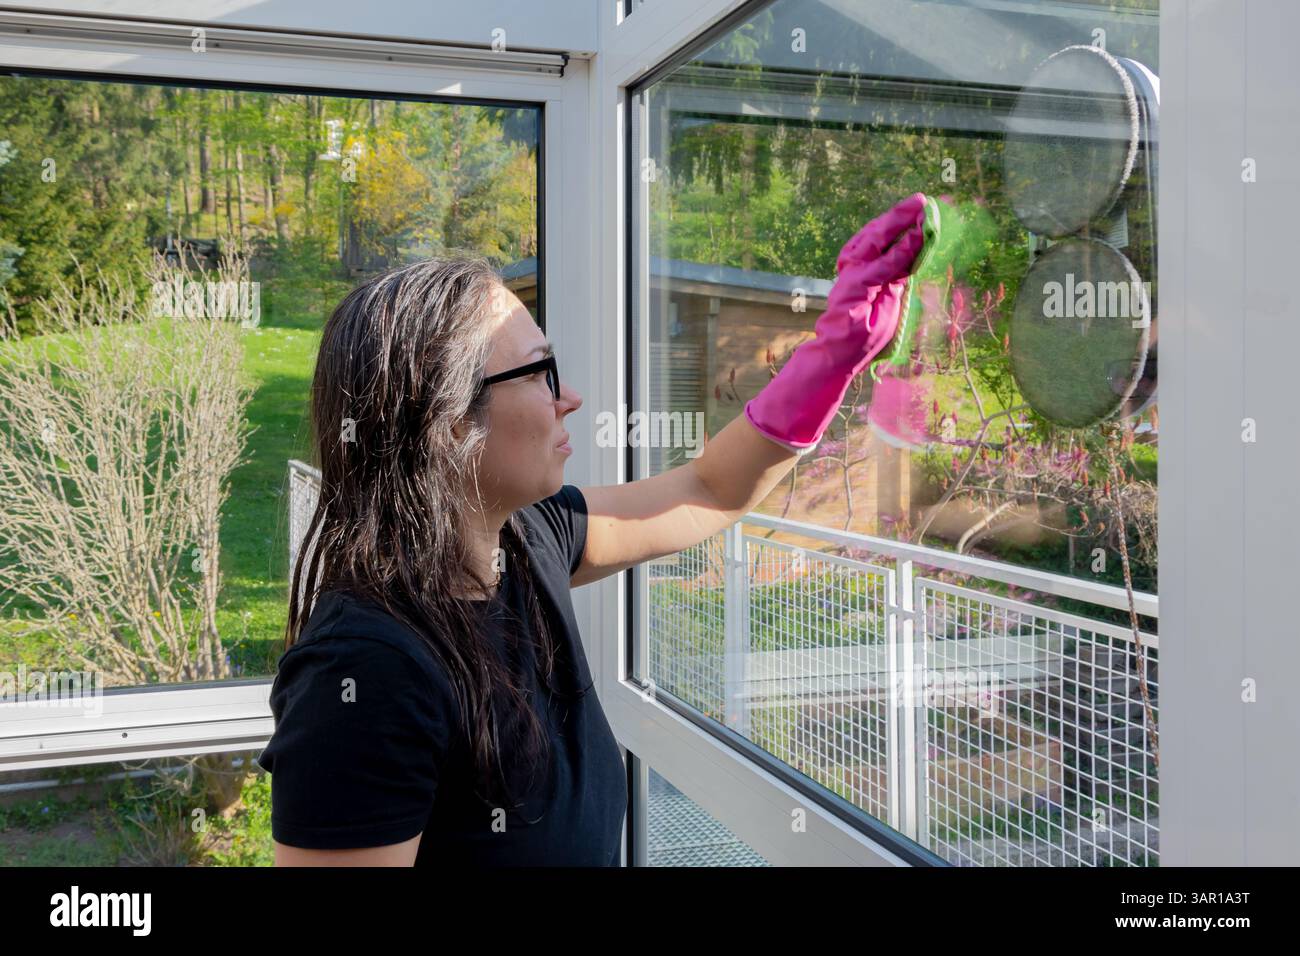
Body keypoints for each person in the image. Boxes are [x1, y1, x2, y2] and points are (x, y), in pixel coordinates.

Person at [256, 194, 930, 866]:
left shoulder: (528, 540)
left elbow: (708, 490)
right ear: (451, 420)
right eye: (542, 371)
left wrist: (834, 353)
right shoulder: (367, 673)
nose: (569, 398)